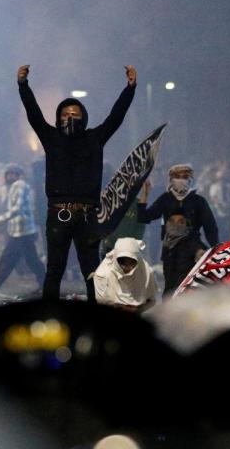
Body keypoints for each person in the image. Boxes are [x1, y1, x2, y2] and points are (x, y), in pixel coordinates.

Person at [17, 63, 136, 302]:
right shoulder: (50, 137)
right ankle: (49, 315)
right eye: (64, 114)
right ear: (58, 117)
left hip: (87, 215)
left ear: (83, 117)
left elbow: (116, 117)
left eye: (74, 114)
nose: (69, 118)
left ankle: (94, 318)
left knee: (92, 271)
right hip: (58, 214)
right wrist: (23, 85)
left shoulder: (95, 138)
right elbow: (33, 113)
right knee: (55, 270)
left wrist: (130, 89)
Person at [138, 164, 219, 290]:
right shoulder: (165, 199)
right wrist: (144, 195)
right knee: (171, 288)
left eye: (184, 176)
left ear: (190, 179)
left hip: (193, 249)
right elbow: (144, 217)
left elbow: (210, 227)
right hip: (170, 250)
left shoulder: (198, 201)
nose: (181, 179)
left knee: (190, 285)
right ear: (171, 179)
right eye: (177, 176)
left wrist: (215, 249)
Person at [0, 164, 45, 292]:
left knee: (8, 259)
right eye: (8, 174)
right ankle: (46, 283)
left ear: (18, 175)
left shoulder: (19, 185)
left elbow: (18, 208)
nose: (9, 176)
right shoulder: (12, 187)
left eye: (13, 174)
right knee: (31, 260)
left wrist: (1, 219)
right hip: (21, 231)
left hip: (21, 232)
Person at [93, 237, 159, 313]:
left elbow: (151, 300)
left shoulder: (145, 272)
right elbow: (102, 303)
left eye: (132, 262)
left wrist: (137, 309)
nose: (127, 266)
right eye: (122, 261)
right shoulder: (102, 275)